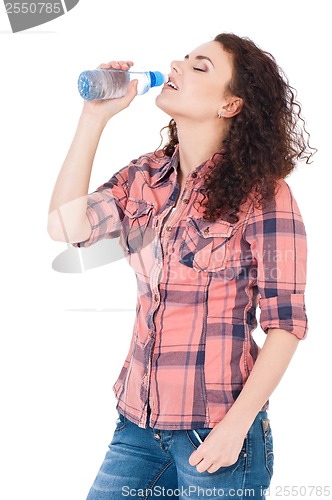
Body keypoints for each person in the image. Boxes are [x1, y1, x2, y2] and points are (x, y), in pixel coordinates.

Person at [47, 33, 314, 499]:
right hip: (137, 425)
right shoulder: (145, 178)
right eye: (185, 57)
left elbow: (285, 324)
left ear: (230, 105)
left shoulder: (266, 197)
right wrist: (94, 118)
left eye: (200, 66)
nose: (177, 64)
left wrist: (235, 427)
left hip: (215, 432)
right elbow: (65, 227)